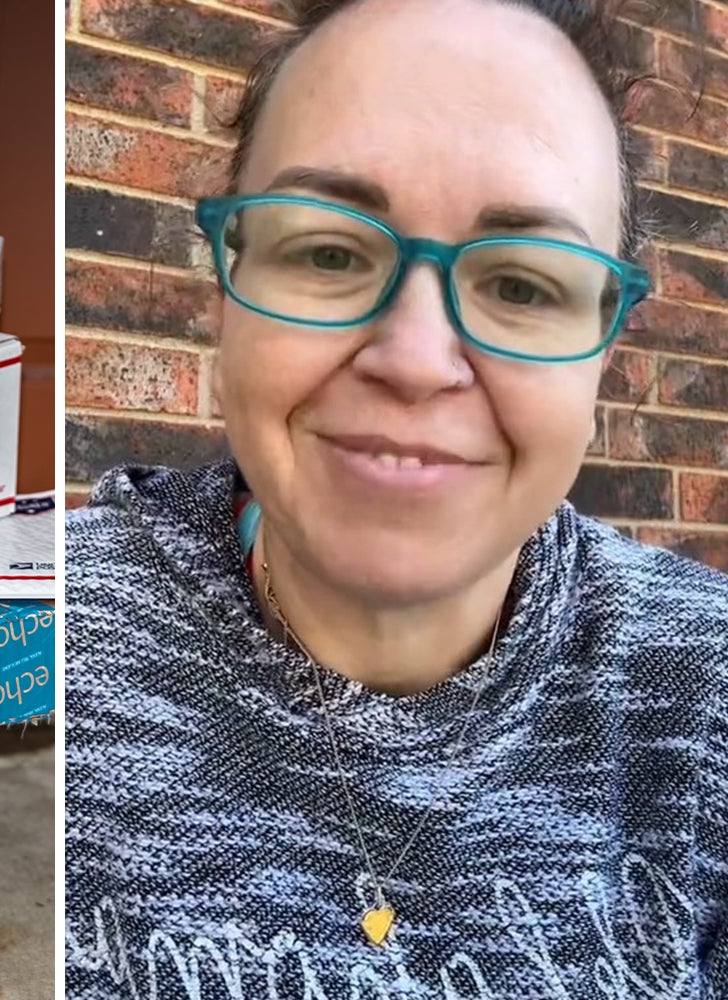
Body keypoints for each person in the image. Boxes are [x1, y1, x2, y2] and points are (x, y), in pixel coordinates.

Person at [64, 0, 728, 993]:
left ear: (601, 350)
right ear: (222, 294)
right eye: (329, 250)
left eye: (520, 282)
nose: (415, 361)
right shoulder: (43, 644)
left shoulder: (703, 694)